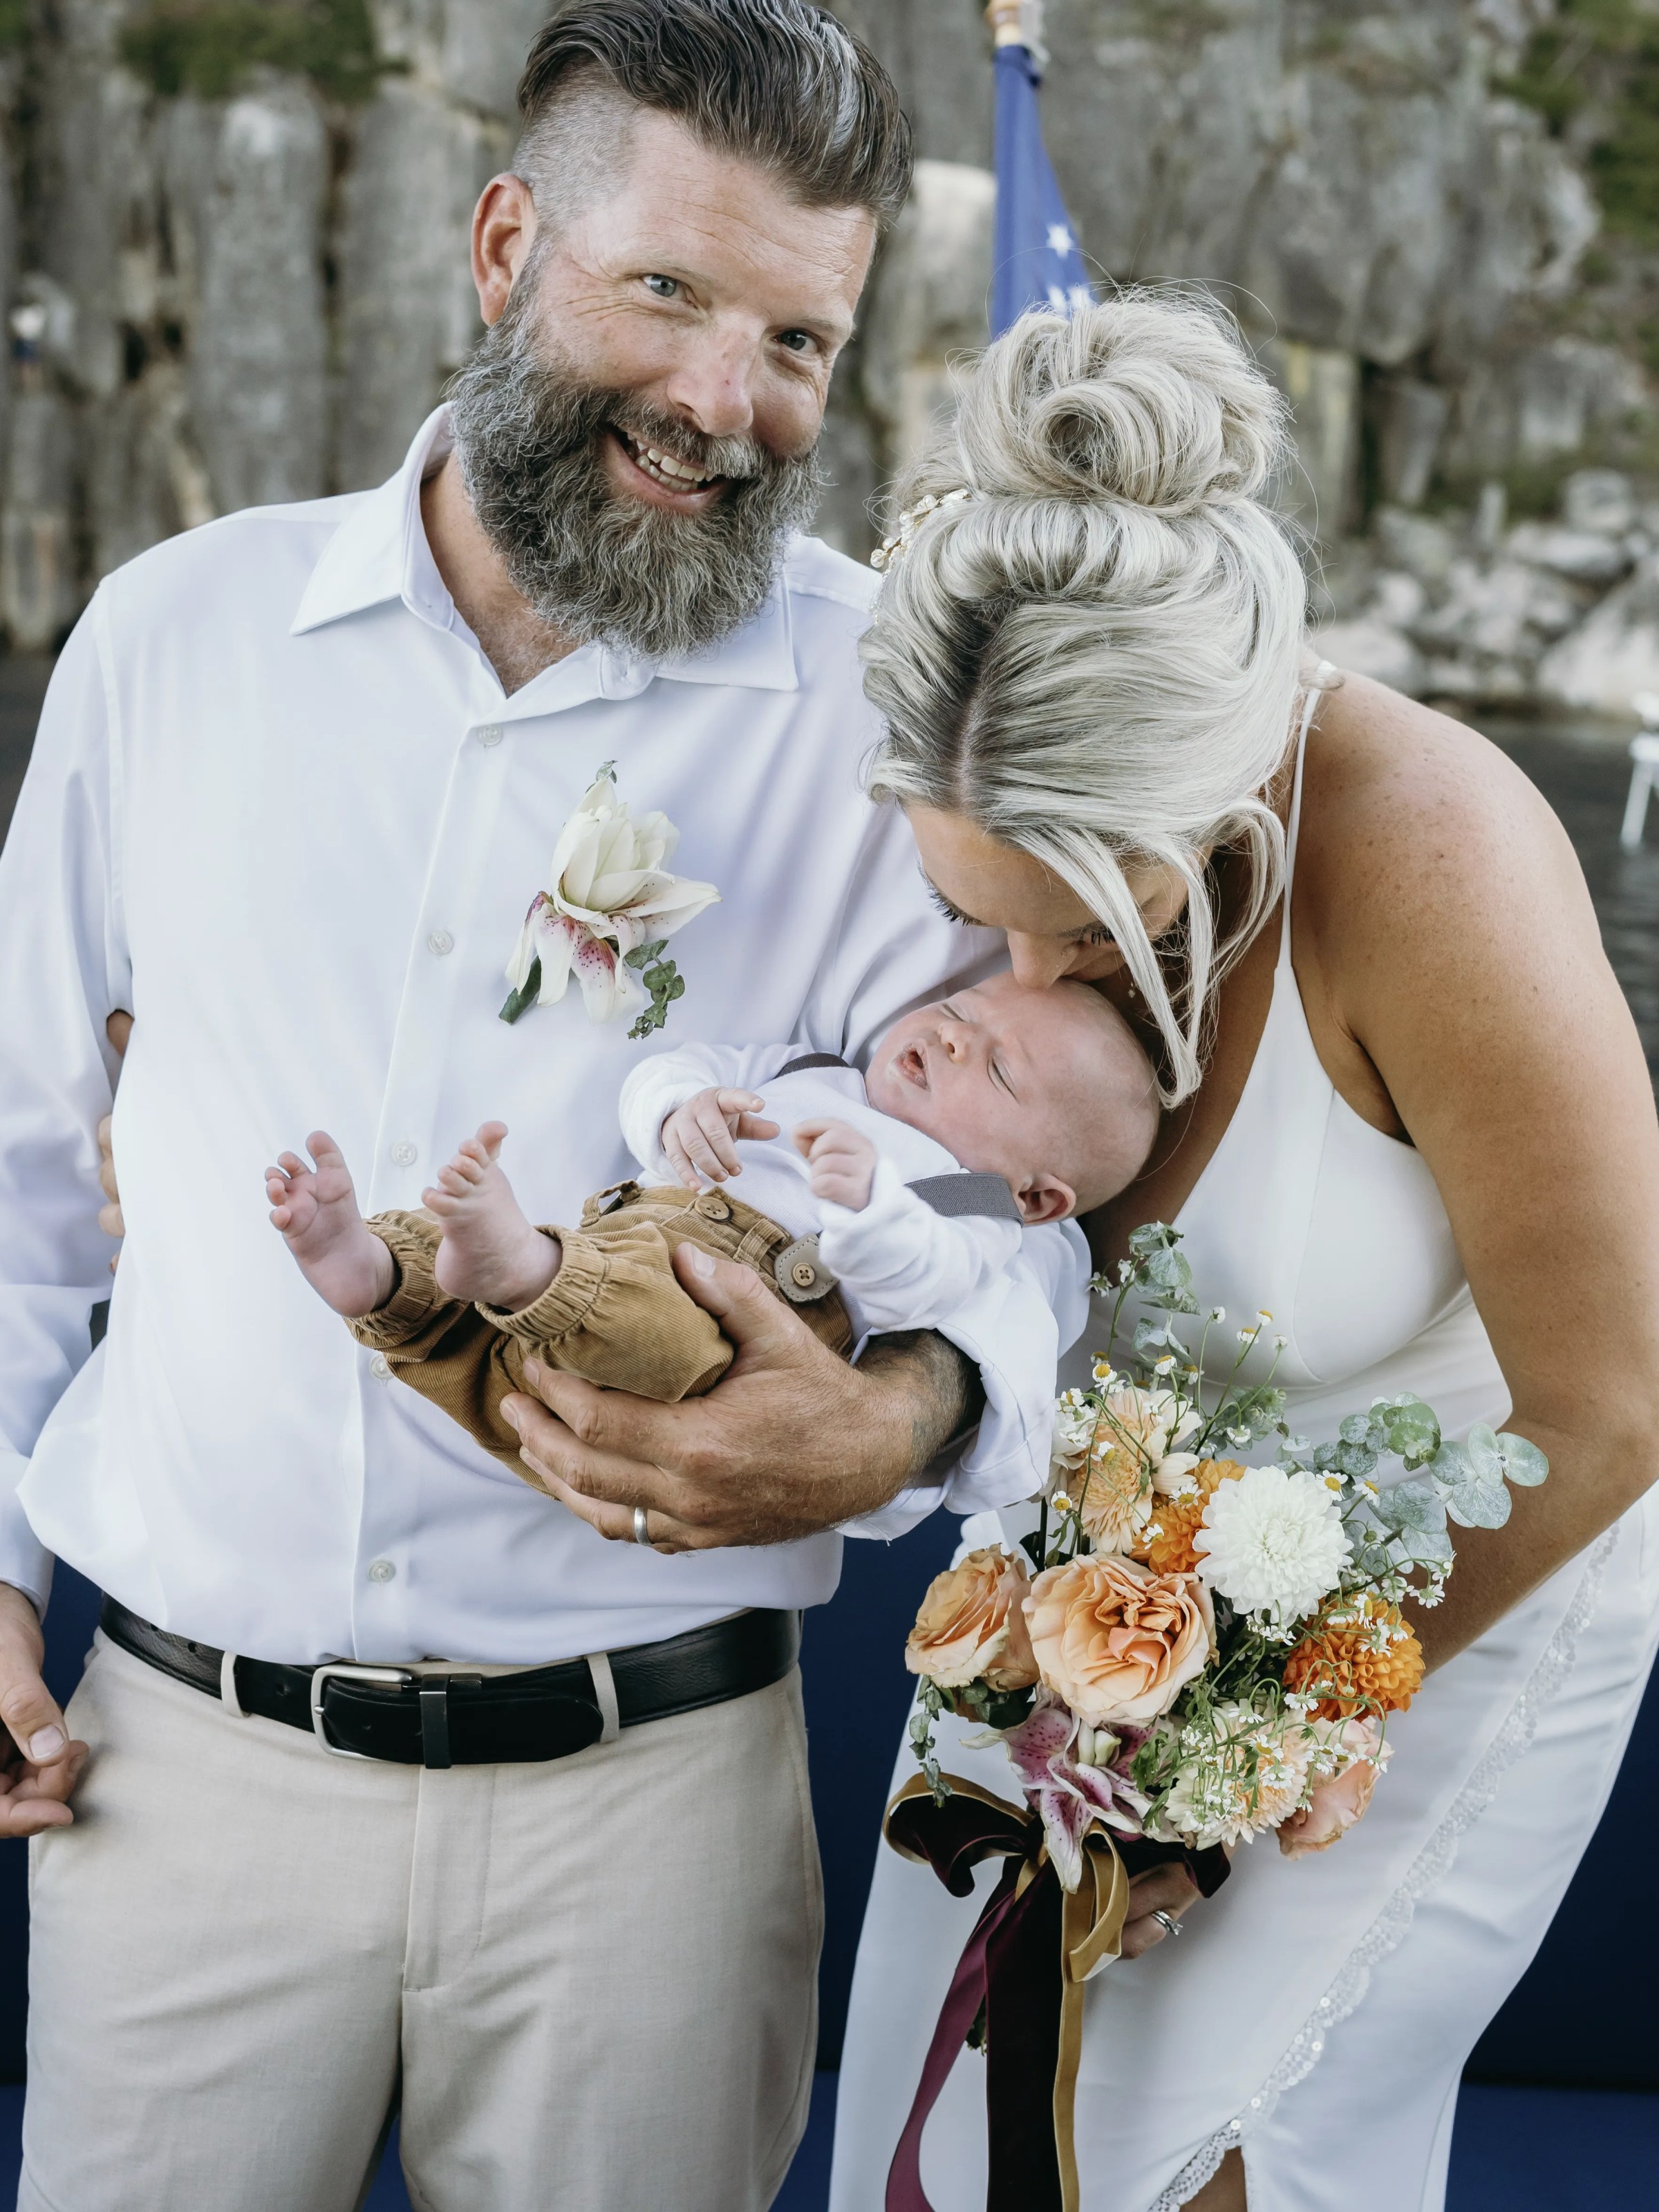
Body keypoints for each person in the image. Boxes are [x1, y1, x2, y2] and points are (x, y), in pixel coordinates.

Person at [0, 8, 1015, 2208]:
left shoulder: (883, 722)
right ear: (500, 247)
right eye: (666, 289)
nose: (724, 400)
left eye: (797, 341)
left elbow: (1016, 1201)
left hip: (652, 1821)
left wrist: (908, 1419)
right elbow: (15, 1175)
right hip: (176, 1789)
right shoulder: (170, 638)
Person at [821, 295, 1659, 2212]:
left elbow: (1618, 1405)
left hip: (1461, 1577)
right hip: (1100, 1572)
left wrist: (1228, 1762)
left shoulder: (1434, 854)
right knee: (946, 2122)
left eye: (1086, 915)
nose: (1027, 974)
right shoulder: (979, 763)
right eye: (977, 909)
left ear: (1212, 783)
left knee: (1184, 2163)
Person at [262, 971, 1158, 1498]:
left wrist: (869, 1212)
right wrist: (678, 1110)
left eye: (1000, 1070)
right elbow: (678, 1067)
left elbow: (923, 1282)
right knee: (487, 1367)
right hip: (622, 1247)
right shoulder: (814, 1070)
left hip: (722, 1324)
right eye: (959, 1011)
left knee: (635, 1316)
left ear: (1038, 1197)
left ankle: (517, 1267)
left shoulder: (974, 1204)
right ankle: (380, 1276)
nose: (955, 1039)